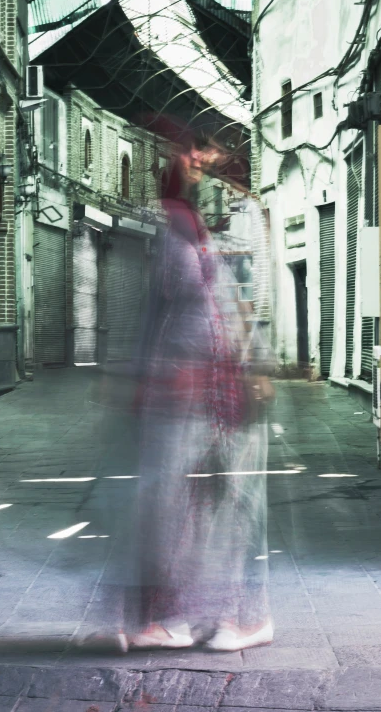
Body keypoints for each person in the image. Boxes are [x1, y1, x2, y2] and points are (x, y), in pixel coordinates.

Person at [123, 139, 275, 652]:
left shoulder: (200, 232)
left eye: (204, 157)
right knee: (176, 506)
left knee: (224, 501)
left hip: (216, 393)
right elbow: (163, 313)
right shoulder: (176, 230)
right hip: (186, 392)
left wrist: (253, 364)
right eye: (189, 156)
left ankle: (240, 614)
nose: (197, 164)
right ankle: (168, 615)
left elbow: (224, 309)